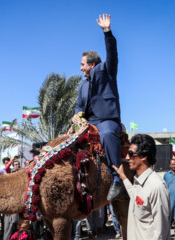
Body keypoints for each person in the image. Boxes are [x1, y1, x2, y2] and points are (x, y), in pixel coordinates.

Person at [72, 13, 122, 201]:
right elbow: (79, 105)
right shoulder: (82, 85)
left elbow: (112, 53)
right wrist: (76, 115)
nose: (80, 68)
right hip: (88, 122)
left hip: (107, 121)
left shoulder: (107, 71)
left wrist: (107, 32)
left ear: (92, 65)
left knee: (108, 135)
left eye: (82, 64)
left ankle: (117, 178)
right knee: (66, 142)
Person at [113, 134, 171, 240]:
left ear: (143, 156)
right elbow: (135, 196)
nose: (127, 158)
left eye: (130, 154)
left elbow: (161, 232)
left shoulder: (156, 186)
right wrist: (123, 177)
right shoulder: (138, 182)